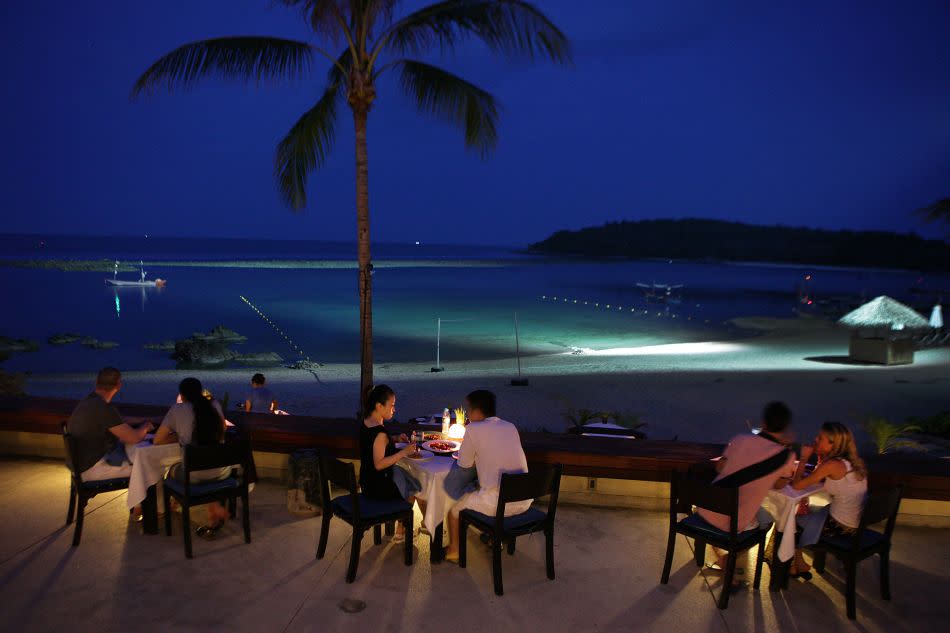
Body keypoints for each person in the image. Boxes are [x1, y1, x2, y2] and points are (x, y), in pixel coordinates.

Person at [696, 401, 797, 584]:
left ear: (764, 422)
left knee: (737, 508)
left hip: (704, 509)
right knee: (767, 519)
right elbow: (780, 485)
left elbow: (719, 468)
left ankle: (722, 557)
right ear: (784, 427)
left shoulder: (739, 439)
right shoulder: (786, 456)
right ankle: (732, 563)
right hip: (731, 525)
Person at [445, 390, 531, 564]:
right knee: (483, 487)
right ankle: (494, 538)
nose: (468, 414)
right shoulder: (510, 426)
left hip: (499, 505)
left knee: (454, 509)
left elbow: (464, 464)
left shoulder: (473, 429)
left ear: (477, 411)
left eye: (469, 410)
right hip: (524, 499)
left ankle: (454, 550)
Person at [787, 422, 869, 579]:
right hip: (856, 523)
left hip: (840, 527)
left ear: (834, 443)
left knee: (789, 520)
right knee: (812, 509)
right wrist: (820, 458)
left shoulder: (833, 464)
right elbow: (828, 482)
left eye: (820, 438)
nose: (816, 439)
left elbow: (797, 485)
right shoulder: (854, 463)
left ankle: (791, 564)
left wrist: (803, 458)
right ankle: (798, 562)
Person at [153, 377, 231, 538]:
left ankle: (166, 506)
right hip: (223, 472)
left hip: (193, 477)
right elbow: (223, 429)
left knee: (170, 471)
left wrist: (179, 436)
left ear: (181, 395)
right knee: (203, 466)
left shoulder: (177, 409)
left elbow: (157, 440)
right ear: (200, 391)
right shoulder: (214, 405)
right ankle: (213, 505)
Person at [359, 385, 424, 543]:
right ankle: (405, 529)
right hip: (378, 488)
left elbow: (375, 445)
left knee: (409, 480)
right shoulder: (380, 432)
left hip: (367, 482)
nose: (394, 409)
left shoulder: (367, 423)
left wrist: (393, 438)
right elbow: (379, 464)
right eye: (392, 405)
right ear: (379, 406)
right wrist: (403, 452)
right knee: (416, 486)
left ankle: (403, 529)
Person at [66, 367, 150, 482]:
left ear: (96, 382)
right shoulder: (104, 408)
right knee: (147, 469)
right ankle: (155, 500)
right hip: (92, 469)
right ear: (119, 385)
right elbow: (134, 438)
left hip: (80, 466)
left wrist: (142, 420)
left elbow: (117, 422)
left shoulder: (89, 401)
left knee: (133, 456)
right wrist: (146, 426)